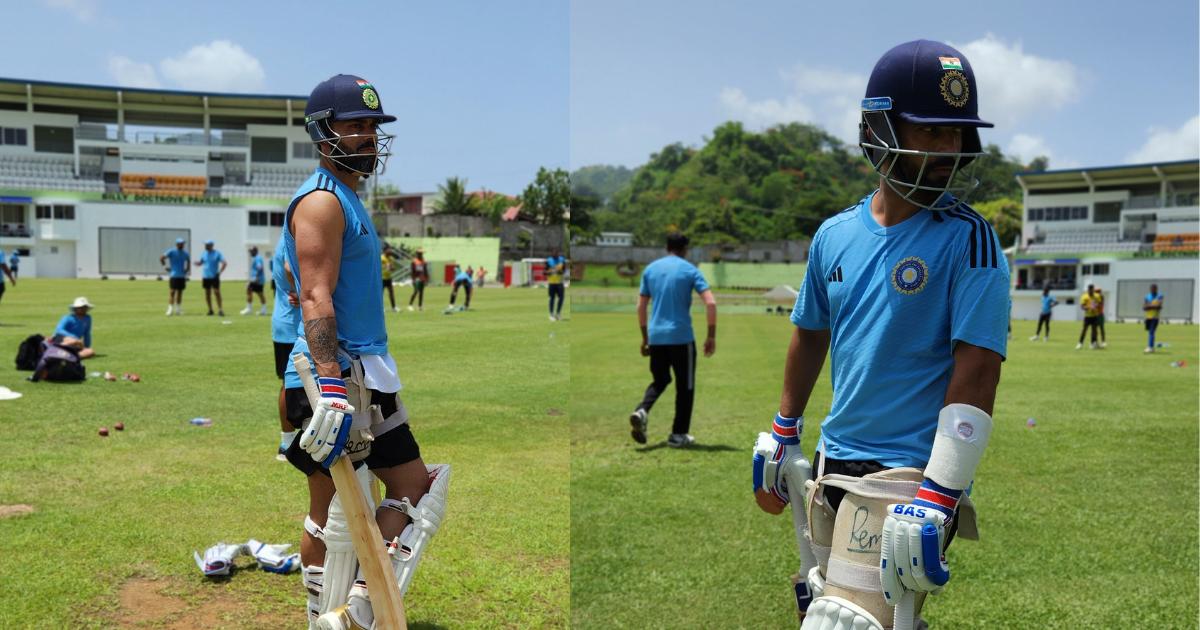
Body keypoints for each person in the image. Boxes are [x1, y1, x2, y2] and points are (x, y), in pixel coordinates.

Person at [751, 40, 1008, 629]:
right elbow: (810, 333)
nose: (949, 151)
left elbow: (978, 369)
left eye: (957, 134)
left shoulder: (969, 239)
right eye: (932, 131)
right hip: (831, 461)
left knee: (843, 622)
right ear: (878, 130)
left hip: (908, 475)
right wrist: (784, 431)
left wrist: (941, 491)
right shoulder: (833, 235)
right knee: (832, 608)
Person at [283, 73, 447, 628]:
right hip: (337, 377)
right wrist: (330, 385)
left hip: (362, 373)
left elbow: (302, 281)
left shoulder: (345, 199)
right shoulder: (322, 202)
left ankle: (345, 613)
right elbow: (313, 294)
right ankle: (340, 615)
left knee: (390, 495)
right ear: (322, 131)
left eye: (373, 127)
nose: (368, 137)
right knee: (360, 503)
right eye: (355, 125)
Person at [628, 232, 716, 448]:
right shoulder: (690, 270)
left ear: (667, 247)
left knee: (660, 380)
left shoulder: (650, 269)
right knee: (685, 387)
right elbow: (711, 303)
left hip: (656, 336)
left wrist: (645, 338)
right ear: (685, 249)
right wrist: (711, 335)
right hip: (681, 337)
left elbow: (641, 306)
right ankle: (678, 434)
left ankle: (642, 410)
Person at [271, 238, 301, 461]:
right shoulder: (293, 237)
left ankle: (287, 441)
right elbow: (290, 268)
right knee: (294, 384)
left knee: (286, 382)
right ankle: (290, 443)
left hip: (283, 324)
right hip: (295, 325)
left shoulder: (282, 239)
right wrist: (301, 290)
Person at [196, 240, 228, 316]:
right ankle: (210, 310)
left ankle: (220, 310)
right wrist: (198, 263)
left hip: (214, 276)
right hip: (206, 276)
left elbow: (224, 263)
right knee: (207, 294)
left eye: (207, 245)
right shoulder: (204, 253)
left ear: (211, 245)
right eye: (205, 245)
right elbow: (201, 262)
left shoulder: (217, 253)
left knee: (217, 292)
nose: (205, 246)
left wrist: (219, 272)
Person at [160, 237, 190, 316]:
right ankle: (170, 309)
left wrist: (187, 269)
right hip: (173, 275)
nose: (182, 245)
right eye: (181, 243)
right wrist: (165, 267)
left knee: (180, 293)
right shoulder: (171, 251)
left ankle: (178, 310)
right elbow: (161, 258)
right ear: (177, 244)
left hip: (181, 276)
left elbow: (188, 260)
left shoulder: (185, 253)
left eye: (183, 243)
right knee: (172, 292)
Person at [241, 246, 269, 316]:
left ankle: (250, 309)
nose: (250, 253)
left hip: (256, 280)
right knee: (258, 293)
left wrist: (256, 277)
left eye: (251, 251)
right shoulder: (257, 258)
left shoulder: (257, 258)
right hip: (258, 279)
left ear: (255, 251)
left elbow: (259, 267)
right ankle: (263, 310)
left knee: (252, 291)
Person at [1076, 284, 1100, 350]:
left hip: (1095, 316)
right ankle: (1080, 343)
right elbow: (1082, 307)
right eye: (1090, 290)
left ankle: (1092, 343)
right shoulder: (1084, 296)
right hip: (1087, 316)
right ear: (1088, 290)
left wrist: (1095, 306)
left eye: (1092, 290)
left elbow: (1099, 304)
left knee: (1094, 331)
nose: (1091, 291)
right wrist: (1088, 307)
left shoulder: (1097, 296)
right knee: (1084, 330)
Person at [546, 248, 566, 321]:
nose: (555, 254)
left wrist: (559, 271)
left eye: (556, 253)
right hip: (551, 282)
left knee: (561, 298)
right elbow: (545, 271)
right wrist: (551, 272)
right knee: (552, 298)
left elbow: (564, 270)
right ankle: (551, 314)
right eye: (553, 253)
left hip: (560, 282)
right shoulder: (548, 260)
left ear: (558, 253)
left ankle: (558, 313)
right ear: (551, 254)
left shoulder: (562, 260)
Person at [1143, 284, 1164, 354]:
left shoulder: (1159, 296)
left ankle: (1150, 347)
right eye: (1151, 288)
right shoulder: (1147, 296)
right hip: (1148, 317)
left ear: (1156, 289)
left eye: (1154, 288)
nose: (1152, 290)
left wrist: (1149, 305)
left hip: (1155, 317)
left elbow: (1159, 306)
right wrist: (1153, 306)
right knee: (1150, 332)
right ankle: (1152, 347)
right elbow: (1144, 307)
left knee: (1152, 332)